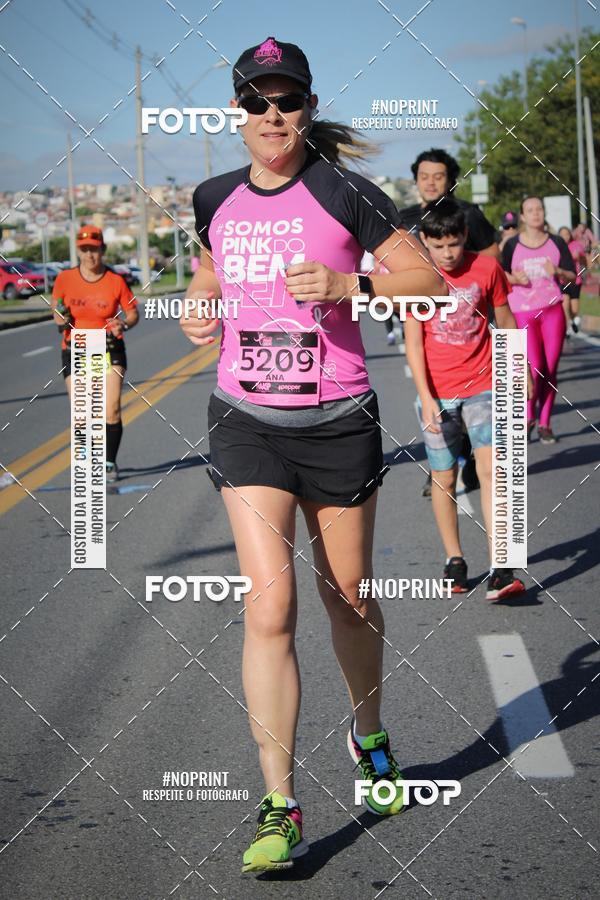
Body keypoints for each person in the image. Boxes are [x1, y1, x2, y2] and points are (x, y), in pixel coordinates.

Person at [180, 36, 446, 874]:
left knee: (349, 598)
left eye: (286, 100)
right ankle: (281, 803)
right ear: (238, 111)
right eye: (257, 102)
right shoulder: (214, 195)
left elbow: (426, 282)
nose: (272, 116)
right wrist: (197, 306)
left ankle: (369, 735)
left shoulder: (344, 190)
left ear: (309, 107)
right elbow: (209, 271)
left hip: (337, 421)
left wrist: (350, 287)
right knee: (270, 609)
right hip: (247, 421)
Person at [405, 199, 527, 601]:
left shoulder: (487, 268)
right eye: (438, 247)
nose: (448, 254)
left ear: (465, 237)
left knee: (492, 470)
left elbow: (505, 320)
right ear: (424, 241)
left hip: (483, 386)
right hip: (437, 393)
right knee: (444, 479)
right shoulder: (417, 277)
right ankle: (454, 559)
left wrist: (520, 370)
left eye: (455, 244)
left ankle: (501, 566)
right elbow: (413, 341)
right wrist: (425, 398)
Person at [399, 148, 496, 496]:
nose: (430, 182)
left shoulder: (468, 213)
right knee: (430, 389)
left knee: (471, 393)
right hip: (418, 315)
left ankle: (469, 455)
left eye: (438, 176)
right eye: (424, 176)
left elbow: (491, 255)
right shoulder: (404, 217)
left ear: (451, 180)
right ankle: (442, 464)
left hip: (466, 314)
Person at [51, 225, 139, 481]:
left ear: (103, 250)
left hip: (108, 347)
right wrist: (60, 317)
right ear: (78, 251)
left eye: (95, 250)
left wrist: (123, 323)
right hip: (76, 346)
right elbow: (56, 307)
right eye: (85, 250)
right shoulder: (65, 279)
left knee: (110, 409)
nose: (90, 256)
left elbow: (133, 312)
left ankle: (109, 462)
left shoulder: (115, 281)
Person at [502, 198, 575, 444]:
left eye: (539, 209)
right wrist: (514, 279)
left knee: (550, 368)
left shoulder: (556, 242)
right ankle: (527, 415)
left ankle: (545, 423)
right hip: (523, 311)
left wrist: (558, 273)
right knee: (534, 368)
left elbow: (573, 276)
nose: (536, 214)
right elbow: (500, 275)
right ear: (522, 216)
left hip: (552, 310)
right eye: (530, 210)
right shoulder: (512, 245)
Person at [558, 226, 586, 335]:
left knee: (574, 309)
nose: (565, 236)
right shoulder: (557, 246)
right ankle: (568, 325)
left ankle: (573, 320)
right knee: (565, 302)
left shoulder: (576, 246)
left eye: (567, 234)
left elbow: (584, 260)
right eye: (562, 234)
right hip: (562, 281)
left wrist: (579, 258)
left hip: (575, 280)